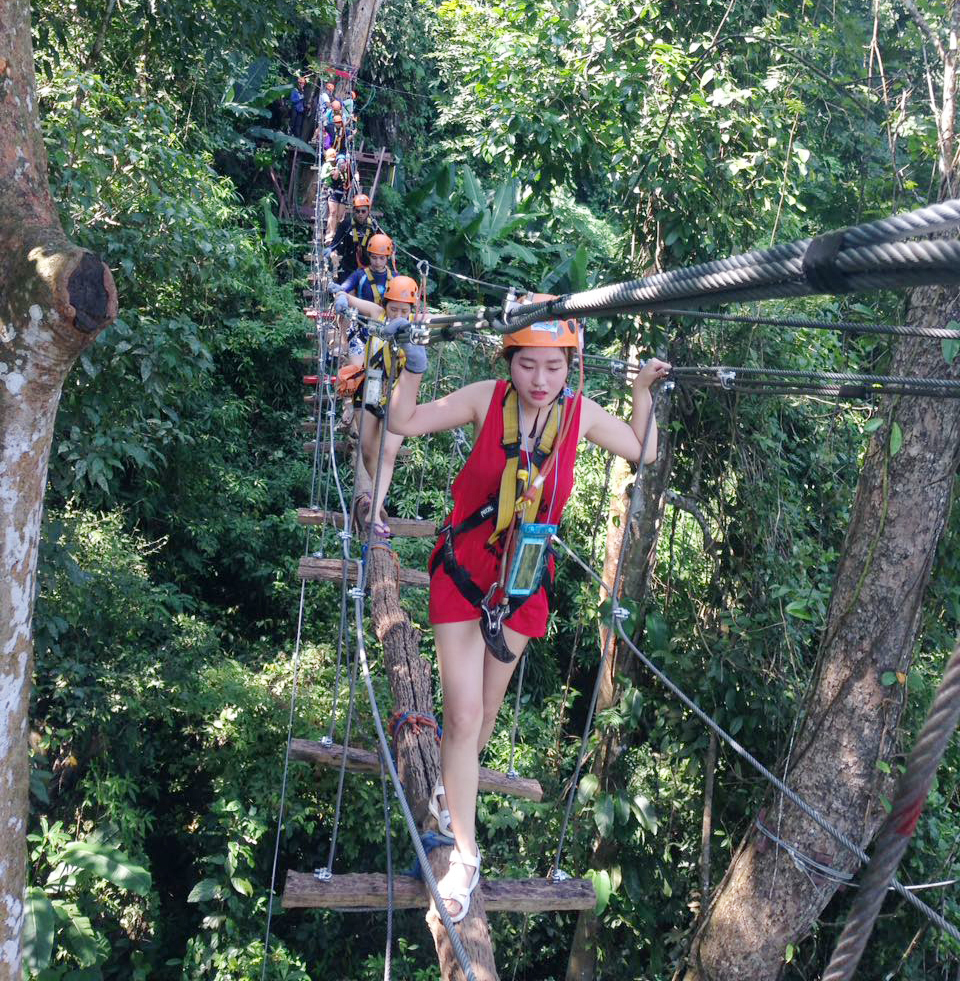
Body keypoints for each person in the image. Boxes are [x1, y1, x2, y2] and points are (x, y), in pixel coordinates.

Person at [384, 296, 671, 923]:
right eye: (528, 366)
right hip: (463, 573)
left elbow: (642, 450)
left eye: (554, 368)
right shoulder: (486, 398)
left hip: (519, 586)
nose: (540, 382)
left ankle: (448, 791)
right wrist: (411, 363)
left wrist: (644, 391)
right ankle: (465, 855)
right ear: (508, 362)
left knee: (481, 721)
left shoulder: (579, 414)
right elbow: (402, 420)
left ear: (570, 368)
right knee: (460, 717)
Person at [332, 276, 422, 534]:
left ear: (411, 310)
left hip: (399, 394)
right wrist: (341, 298)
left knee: (387, 453)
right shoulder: (376, 313)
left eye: (404, 310)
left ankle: (374, 512)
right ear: (386, 304)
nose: (398, 314)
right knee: (368, 450)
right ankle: (374, 496)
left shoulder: (417, 327)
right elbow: (350, 299)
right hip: (370, 388)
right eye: (394, 308)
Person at [326, 194, 383, 276]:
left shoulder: (373, 226)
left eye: (363, 211)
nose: (360, 214)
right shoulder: (346, 224)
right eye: (357, 211)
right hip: (348, 266)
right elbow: (335, 242)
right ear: (353, 211)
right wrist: (332, 251)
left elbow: (381, 244)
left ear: (368, 211)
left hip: (367, 267)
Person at [332, 233, 395, 305]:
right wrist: (340, 292)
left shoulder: (395, 277)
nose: (378, 262)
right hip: (363, 315)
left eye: (382, 258)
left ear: (388, 257)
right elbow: (344, 288)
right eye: (374, 258)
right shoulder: (360, 274)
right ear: (369, 256)